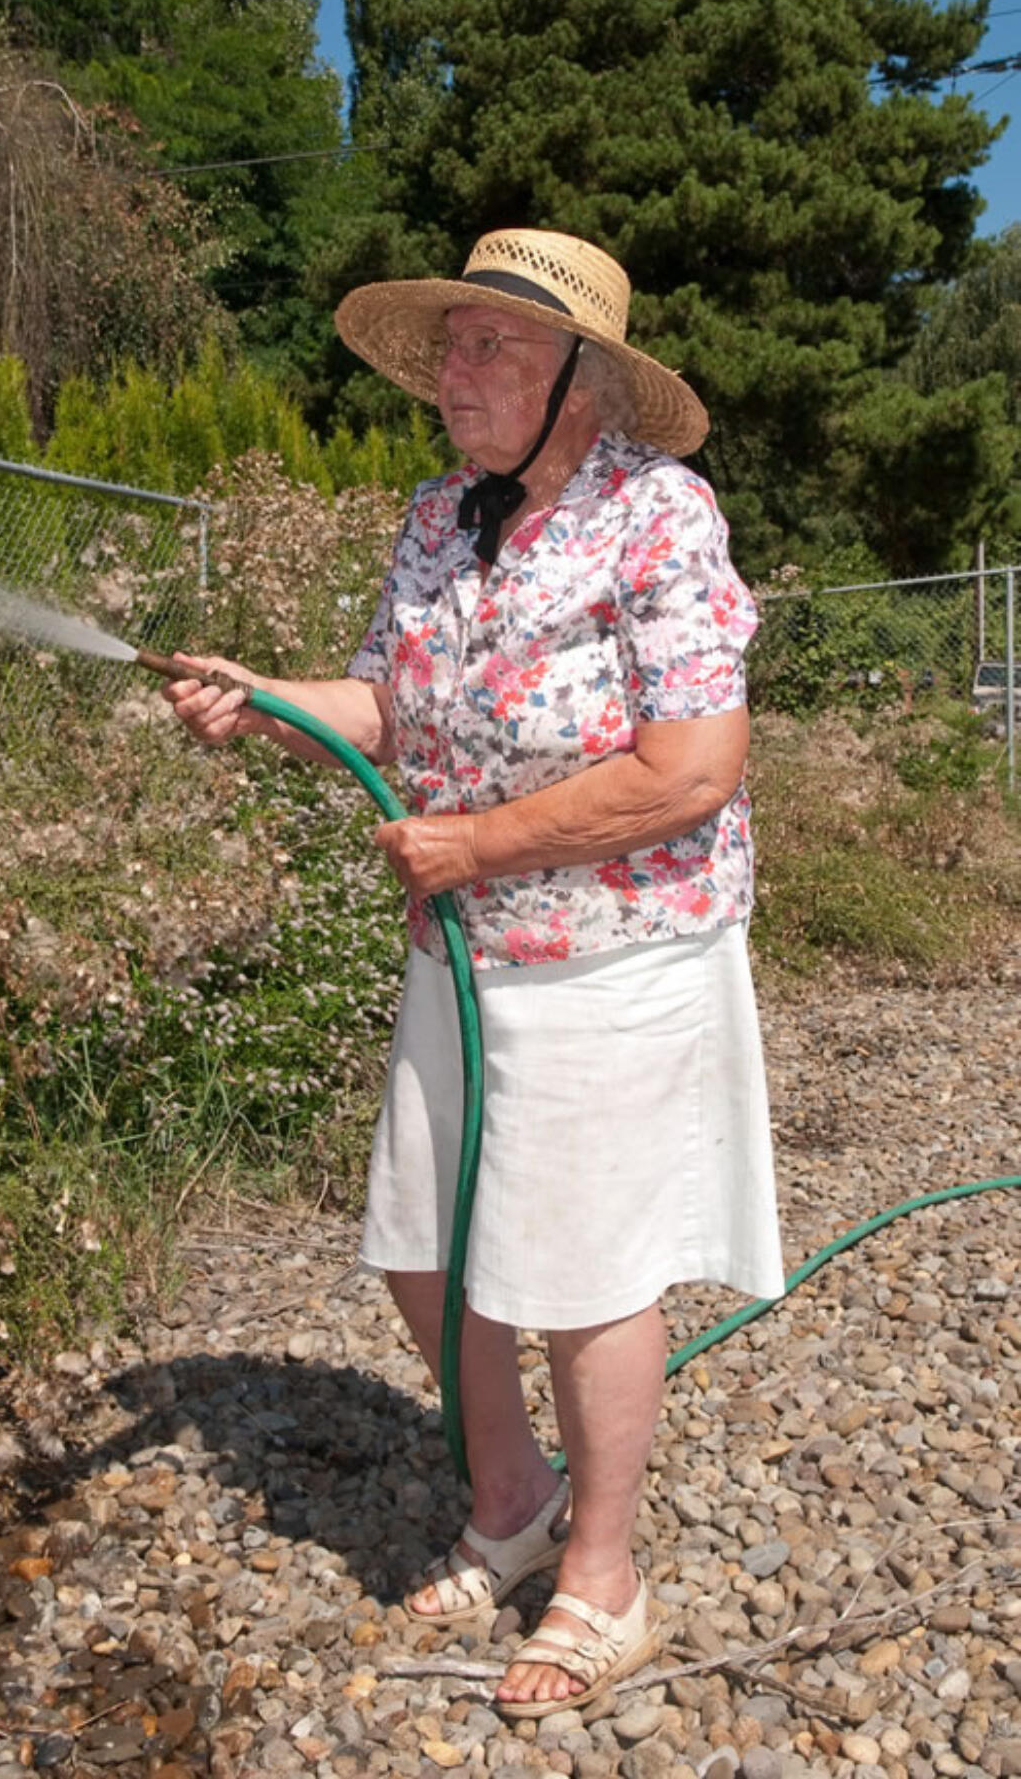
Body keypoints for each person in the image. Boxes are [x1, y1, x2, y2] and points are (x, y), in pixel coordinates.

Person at [162, 228, 785, 1721]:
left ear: (586, 380)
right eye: (449, 343)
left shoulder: (658, 516)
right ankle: (508, 1499)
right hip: (463, 942)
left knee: (582, 1266)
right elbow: (390, 693)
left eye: (491, 345)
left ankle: (603, 1576)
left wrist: (480, 843)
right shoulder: (440, 518)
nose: (454, 370)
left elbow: (694, 767)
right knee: (415, 1242)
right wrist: (267, 704)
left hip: (611, 949)